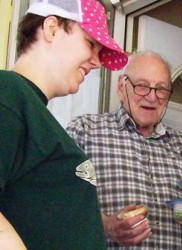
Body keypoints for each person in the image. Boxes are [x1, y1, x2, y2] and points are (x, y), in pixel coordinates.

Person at [66, 51, 182, 249]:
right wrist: (107, 226)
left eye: (162, 89)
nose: (153, 96)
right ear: (122, 87)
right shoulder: (85, 130)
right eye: (142, 86)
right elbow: (63, 203)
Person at [0, 0, 128, 249]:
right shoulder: (8, 93)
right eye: (90, 44)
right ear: (52, 28)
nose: (97, 61)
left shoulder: (37, 115)